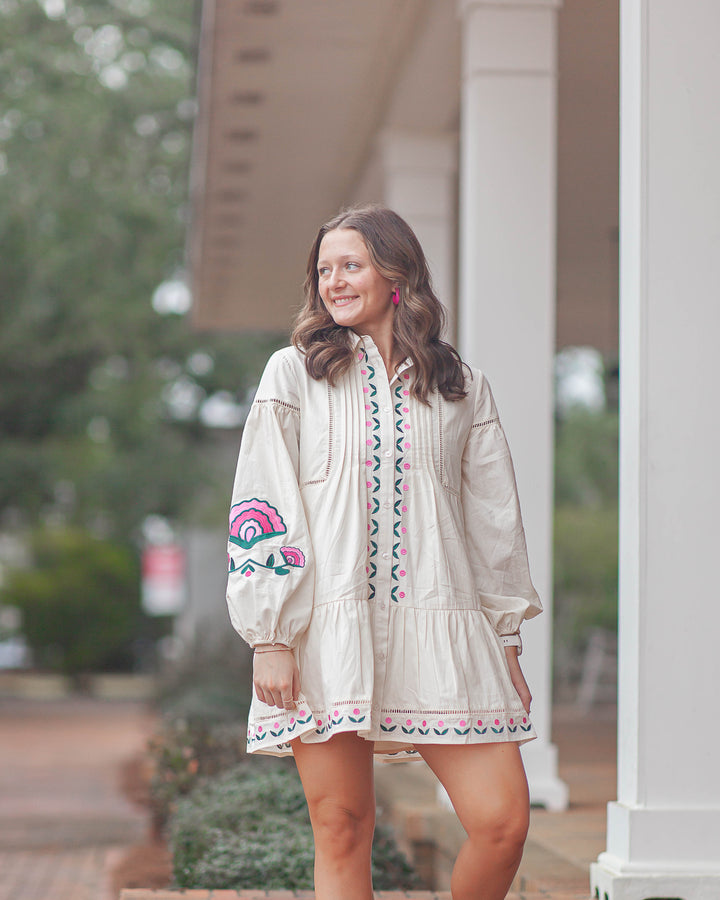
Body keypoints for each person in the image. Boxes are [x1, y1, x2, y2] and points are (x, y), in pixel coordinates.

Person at [226, 204, 542, 900]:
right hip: (325, 635)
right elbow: (263, 503)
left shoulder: (462, 387)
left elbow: (495, 525)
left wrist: (507, 640)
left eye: (351, 265)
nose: (333, 281)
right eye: (324, 269)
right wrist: (270, 636)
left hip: (444, 628)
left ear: (397, 275)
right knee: (342, 826)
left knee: (503, 823)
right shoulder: (293, 376)